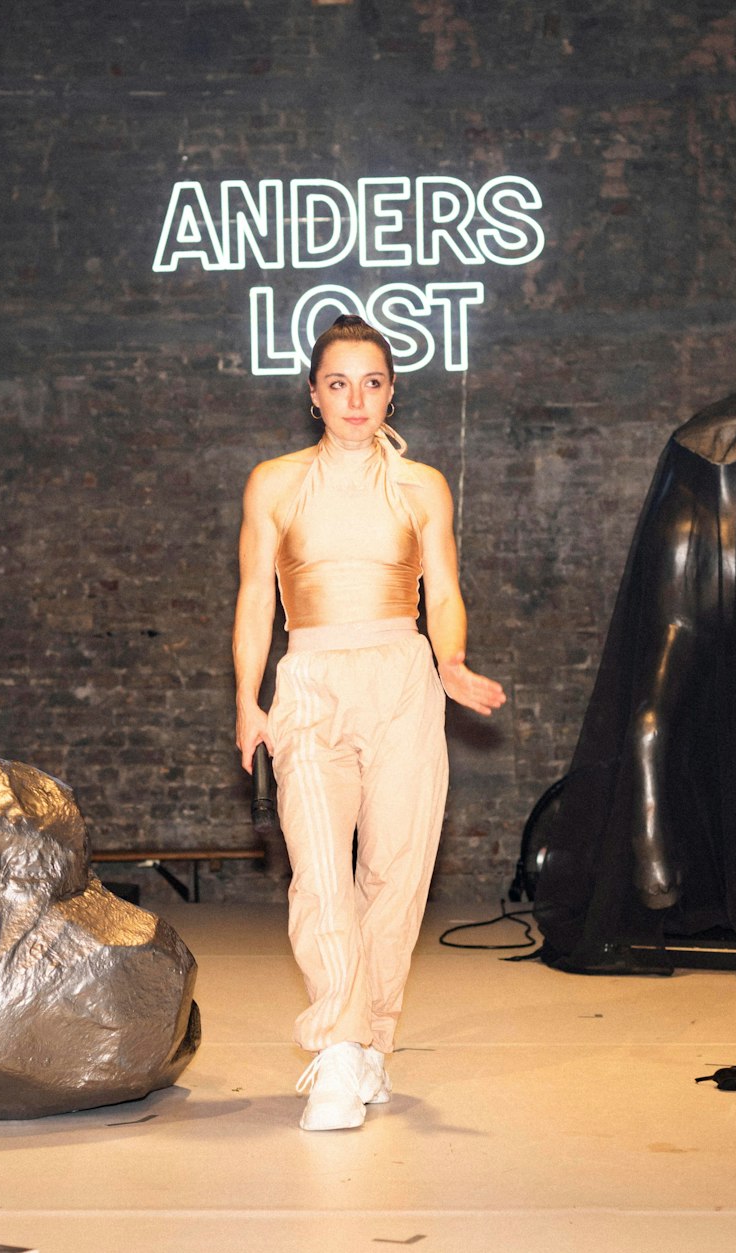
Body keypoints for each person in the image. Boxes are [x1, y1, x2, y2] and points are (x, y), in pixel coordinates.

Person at [233, 315, 506, 1131]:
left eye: (373, 382)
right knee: (320, 872)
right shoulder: (274, 483)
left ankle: (371, 1042)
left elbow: (444, 591)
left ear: (391, 394)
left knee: (394, 873)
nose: (356, 399)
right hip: (309, 681)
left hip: (402, 681)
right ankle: (339, 1047)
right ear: (314, 395)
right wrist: (247, 699)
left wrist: (451, 659)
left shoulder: (422, 486)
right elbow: (255, 597)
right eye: (339, 383)